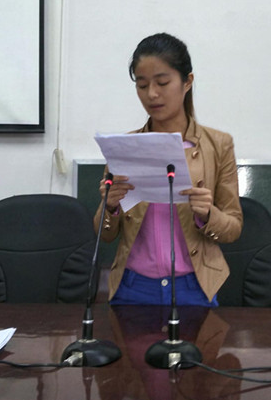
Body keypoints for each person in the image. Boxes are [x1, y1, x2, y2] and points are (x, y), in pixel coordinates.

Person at [94, 33, 243, 306]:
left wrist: (208, 215)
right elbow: (104, 235)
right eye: (142, 85)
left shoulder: (218, 145)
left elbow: (233, 228)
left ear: (187, 82)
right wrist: (110, 207)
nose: (152, 94)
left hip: (195, 286)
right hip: (133, 286)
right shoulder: (125, 147)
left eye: (162, 83)